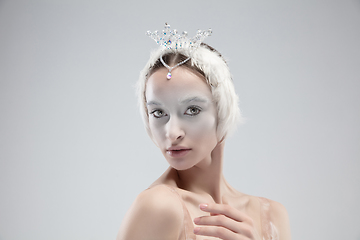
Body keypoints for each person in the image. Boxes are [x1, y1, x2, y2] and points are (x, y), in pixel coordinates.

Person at [117, 23, 291, 240]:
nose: (172, 133)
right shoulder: (159, 207)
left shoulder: (271, 215)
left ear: (223, 110)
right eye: (158, 112)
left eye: (192, 110)